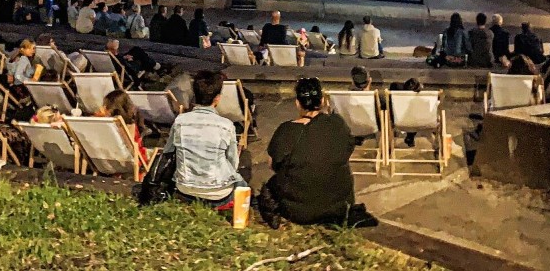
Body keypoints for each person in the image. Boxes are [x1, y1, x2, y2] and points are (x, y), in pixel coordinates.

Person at [258, 77, 376, 229]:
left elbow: (273, 164)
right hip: (339, 207)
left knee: (272, 184)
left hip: (299, 211)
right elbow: (346, 150)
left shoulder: (286, 130)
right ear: (322, 101)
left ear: (297, 103)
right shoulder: (337, 124)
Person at [163, 70, 247, 207]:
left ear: (194, 95)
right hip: (218, 191)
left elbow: (168, 151)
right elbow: (233, 163)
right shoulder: (226, 126)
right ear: (217, 98)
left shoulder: (180, 121)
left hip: (185, 188)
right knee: (241, 182)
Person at [95, 90, 146, 160]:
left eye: (106, 107)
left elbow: (130, 150)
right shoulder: (111, 123)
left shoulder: (129, 126)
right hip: (114, 158)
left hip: (127, 159)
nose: (104, 109)